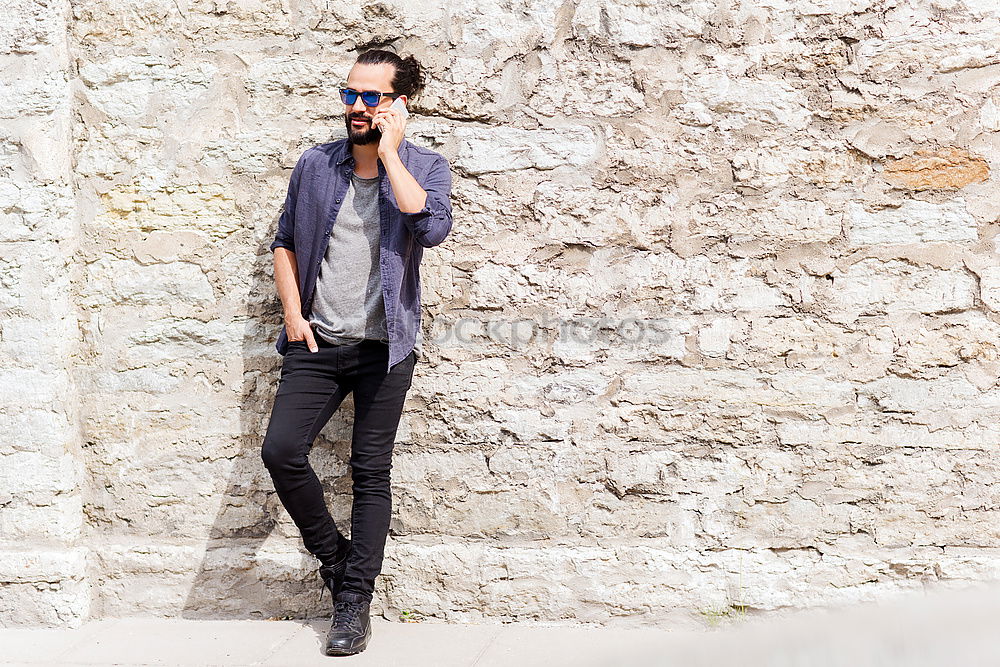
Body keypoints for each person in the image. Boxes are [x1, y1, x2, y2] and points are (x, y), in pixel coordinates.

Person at [260, 48, 454, 656]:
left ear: (400, 104)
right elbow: (286, 242)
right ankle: (338, 562)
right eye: (350, 95)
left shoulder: (426, 167)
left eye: (371, 98)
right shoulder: (316, 165)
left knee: (370, 471)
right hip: (317, 340)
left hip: (384, 348)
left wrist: (392, 153)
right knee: (282, 451)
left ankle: (353, 602)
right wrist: (294, 316)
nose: (357, 107)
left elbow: (431, 228)